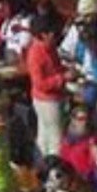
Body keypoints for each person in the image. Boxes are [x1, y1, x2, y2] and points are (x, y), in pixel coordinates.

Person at [25, 15, 69, 161]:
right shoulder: (37, 53)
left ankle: (40, 166)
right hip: (48, 101)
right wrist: (63, 78)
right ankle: (53, 169)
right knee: (56, 138)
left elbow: (56, 67)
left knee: (44, 135)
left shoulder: (49, 48)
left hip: (48, 99)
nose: (56, 36)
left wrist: (65, 70)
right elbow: (40, 83)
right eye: (53, 33)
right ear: (43, 34)